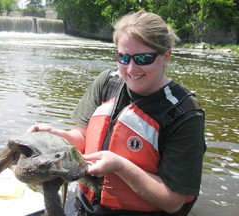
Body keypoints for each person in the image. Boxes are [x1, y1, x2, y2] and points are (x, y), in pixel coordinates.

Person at [27, 11, 206, 216]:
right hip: (84, 207)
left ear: (166, 56)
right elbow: (83, 137)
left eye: (143, 58)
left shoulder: (184, 113)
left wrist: (119, 166)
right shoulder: (107, 82)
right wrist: (56, 136)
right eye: (123, 57)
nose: (131, 68)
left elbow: (173, 201)